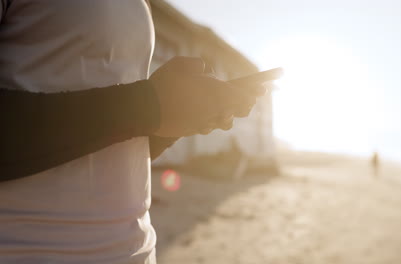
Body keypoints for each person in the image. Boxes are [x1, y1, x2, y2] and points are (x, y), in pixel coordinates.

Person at [0, 1, 264, 263]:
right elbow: (132, 110)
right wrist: (149, 104)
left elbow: (116, 145)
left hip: (136, 251)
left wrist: (177, 118)